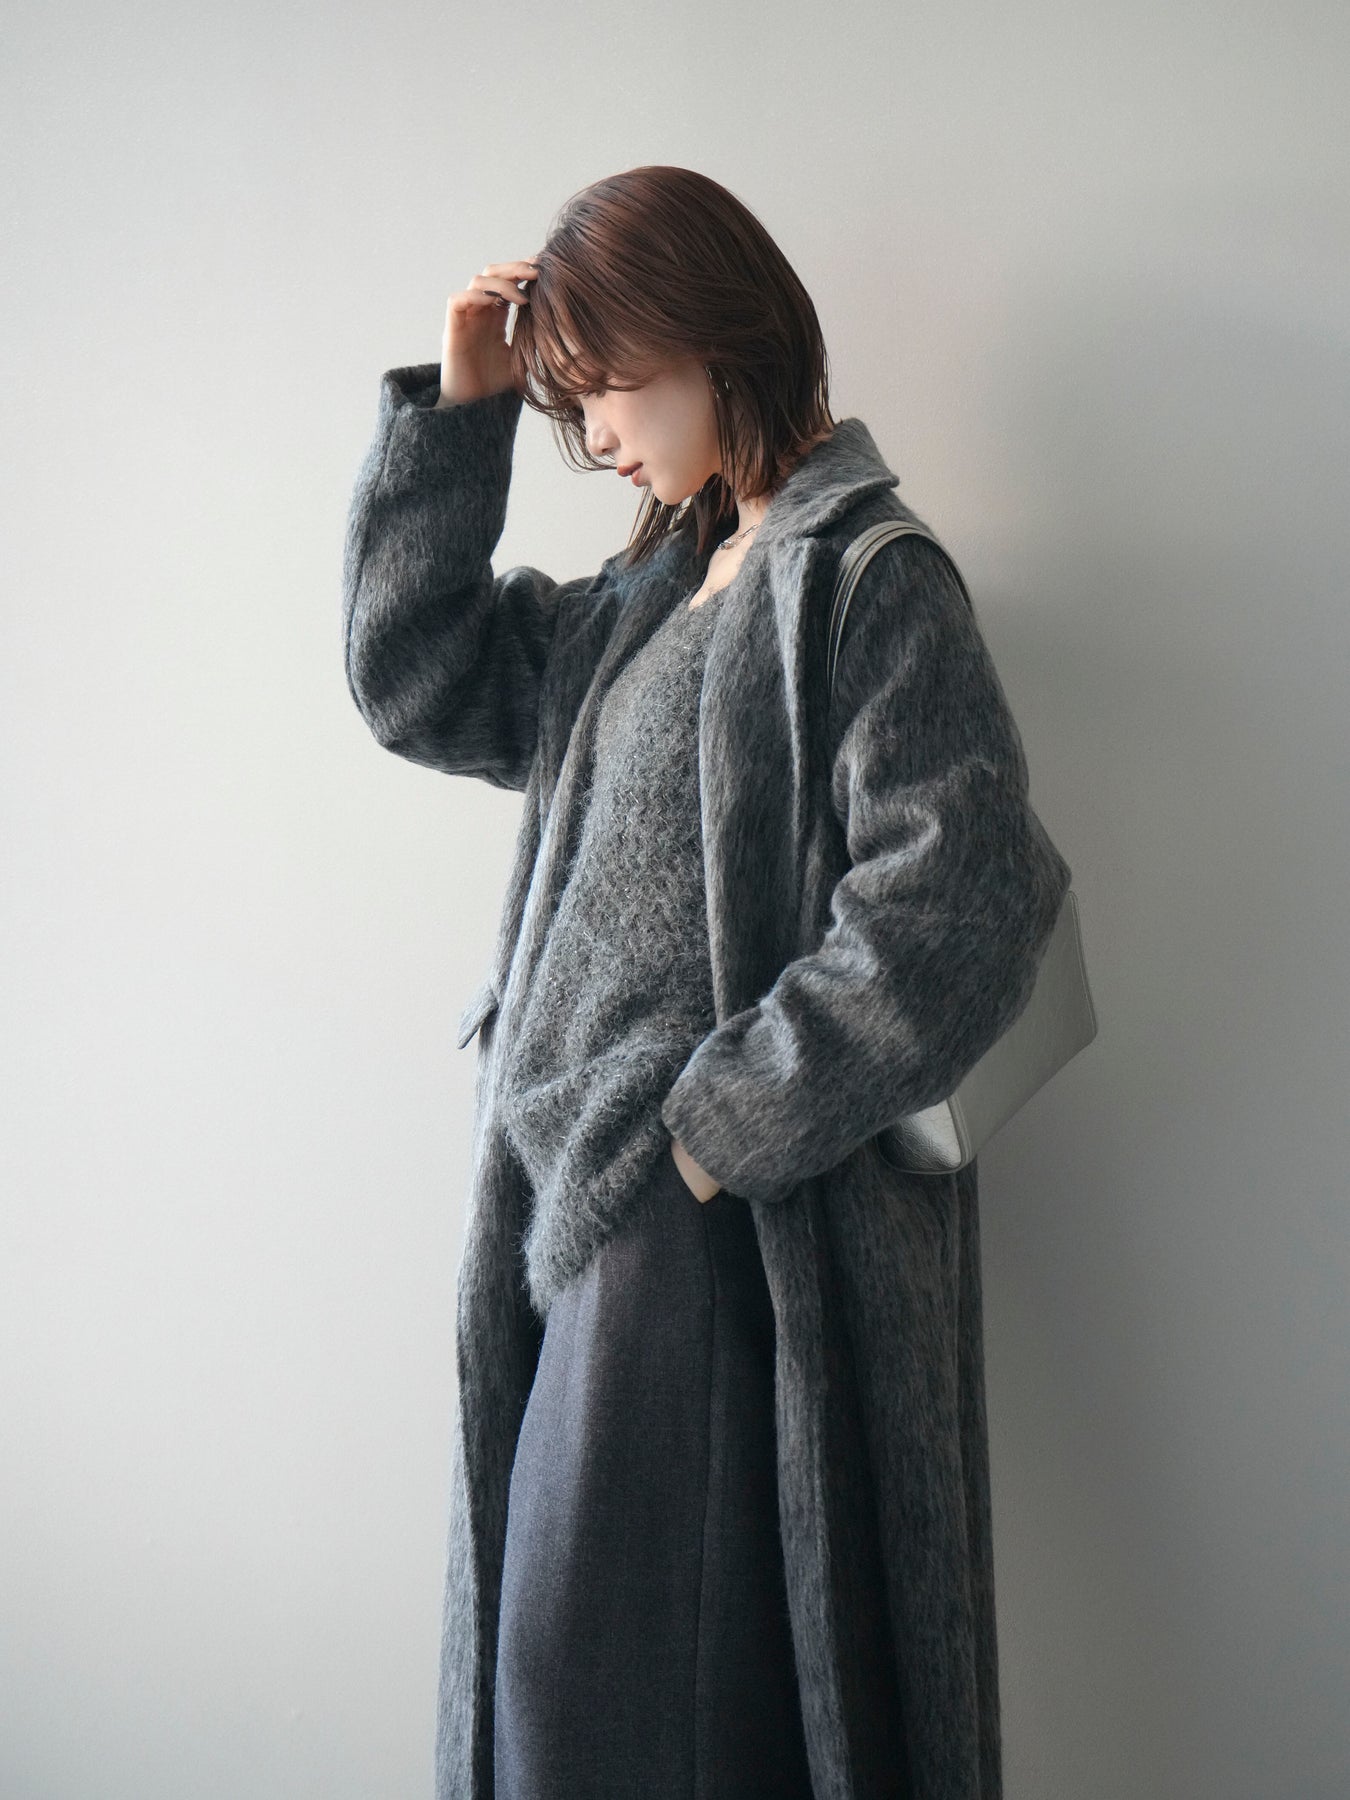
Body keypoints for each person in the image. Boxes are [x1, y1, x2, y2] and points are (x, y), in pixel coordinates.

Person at [342, 165, 1072, 1800]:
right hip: (575, 1212)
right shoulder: (644, 597)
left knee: (605, 1700)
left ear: (709, 332)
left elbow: (959, 900)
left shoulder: (862, 574)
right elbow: (418, 681)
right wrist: (463, 412)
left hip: (704, 1224)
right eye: (569, 403)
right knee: (599, 1701)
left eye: (603, 385)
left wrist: (705, 1140)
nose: (595, 433)